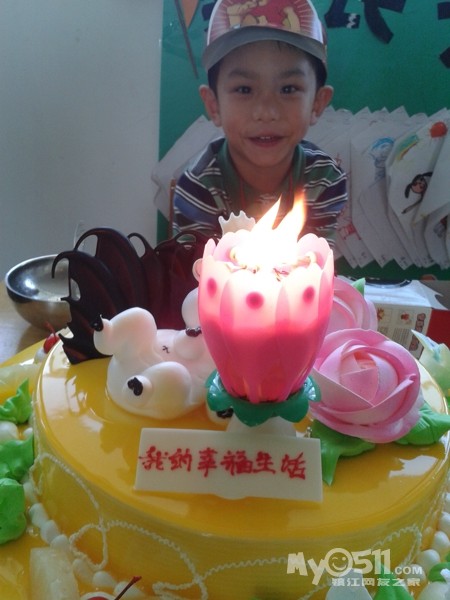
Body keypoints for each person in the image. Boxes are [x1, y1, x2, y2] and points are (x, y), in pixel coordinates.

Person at [172, 0, 347, 246]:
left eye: (288, 89)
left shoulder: (325, 178)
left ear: (317, 104)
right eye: (244, 89)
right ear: (214, 105)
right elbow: (194, 268)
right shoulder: (198, 187)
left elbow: (317, 260)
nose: (266, 112)